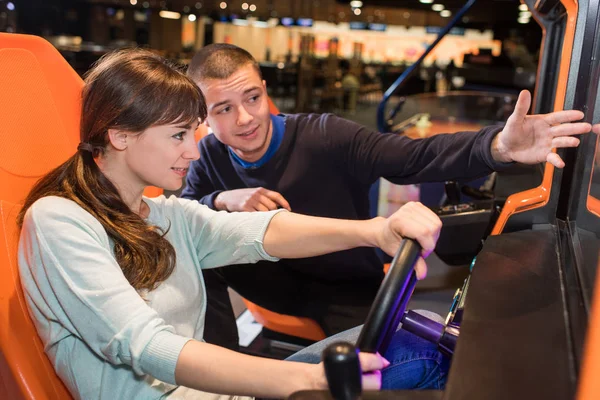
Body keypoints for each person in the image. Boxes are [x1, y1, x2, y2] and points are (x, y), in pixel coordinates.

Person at [17, 49, 449, 400]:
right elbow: (146, 347)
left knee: (422, 335)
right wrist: (309, 380)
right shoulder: (60, 219)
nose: (193, 150)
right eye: (178, 135)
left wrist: (375, 230)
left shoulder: (164, 214)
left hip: (213, 393)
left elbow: (262, 232)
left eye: (194, 133)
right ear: (121, 135)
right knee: (422, 352)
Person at [181, 43, 591, 348]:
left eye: (252, 97)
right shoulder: (209, 159)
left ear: (265, 89)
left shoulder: (325, 135)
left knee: (401, 366)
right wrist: (222, 200)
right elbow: (184, 211)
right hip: (272, 281)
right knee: (192, 249)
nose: (246, 118)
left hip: (343, 287)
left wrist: (498, 146)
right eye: (224, 109)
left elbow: (415, 156)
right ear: (203, 115)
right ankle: (220, 376)